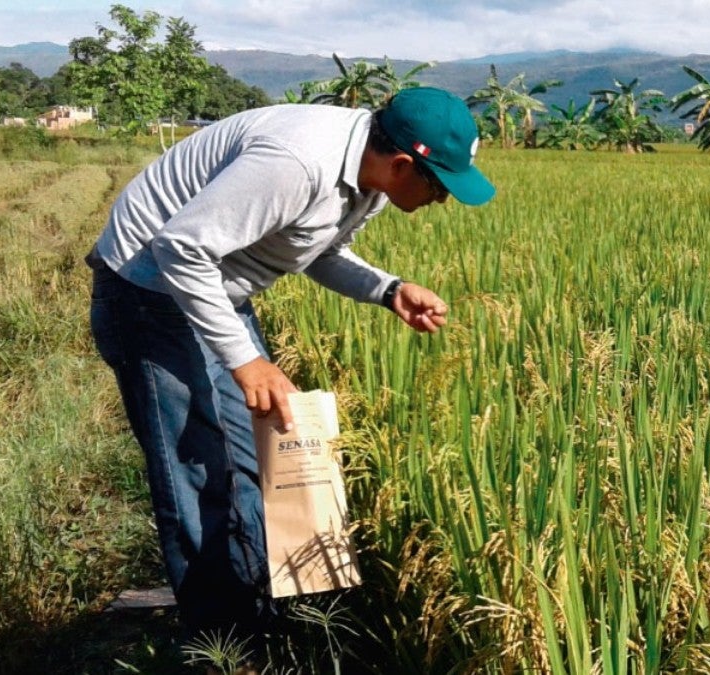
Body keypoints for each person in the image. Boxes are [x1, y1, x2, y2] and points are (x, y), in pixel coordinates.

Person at [86, 87, 494, 646]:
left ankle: (257, 604)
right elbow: (180, 248)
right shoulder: (297, 162)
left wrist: (388, 288)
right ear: (403, 163)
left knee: (261, 453)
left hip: (216, 285)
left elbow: (318, 249)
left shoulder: (367, 180)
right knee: (196, 467)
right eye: (439, 186)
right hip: (148, 287)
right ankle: (224, 643)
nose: (442, 201)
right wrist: (246, 360)